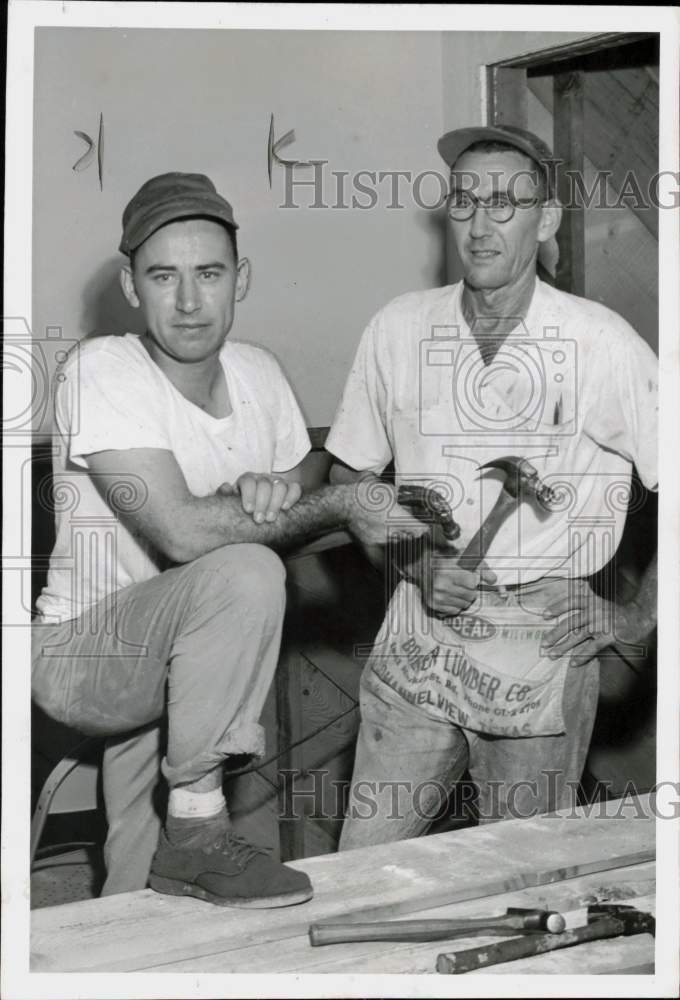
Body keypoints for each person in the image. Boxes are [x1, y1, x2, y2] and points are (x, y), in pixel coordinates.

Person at [32, 171, 426, 905]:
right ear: (129, 284)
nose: (187, 302)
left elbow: (286, 526)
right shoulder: (101, 368)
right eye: (163, 276)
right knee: (243, 572)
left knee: (166, 884)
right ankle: (197, 831)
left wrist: (369, 524)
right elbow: (186, 535)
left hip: (194, 658)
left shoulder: (259, 374)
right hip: (84, 654)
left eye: (208, 274)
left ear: (241, 279)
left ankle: (163, 891)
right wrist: (334, 501)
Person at [326, 125, 658, 848]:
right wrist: (414, 563)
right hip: (420, 626)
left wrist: (632, 619)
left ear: (546, 220)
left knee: (518, 875)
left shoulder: (599, 343)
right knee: (362, 870)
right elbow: (348, 474)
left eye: (506, 204)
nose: (480, 225)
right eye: (465, 201)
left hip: (538, 639)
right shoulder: (399, 328)